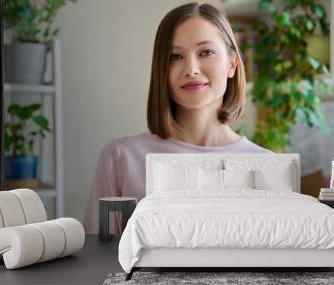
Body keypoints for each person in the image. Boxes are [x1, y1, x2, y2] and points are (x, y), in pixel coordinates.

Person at [84, 2, 271, 234]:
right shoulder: (120, 157)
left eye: (206, 52)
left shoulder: (267, 165)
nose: (191, 68)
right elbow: (97, 258)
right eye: (175, 56)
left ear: (232, 64)